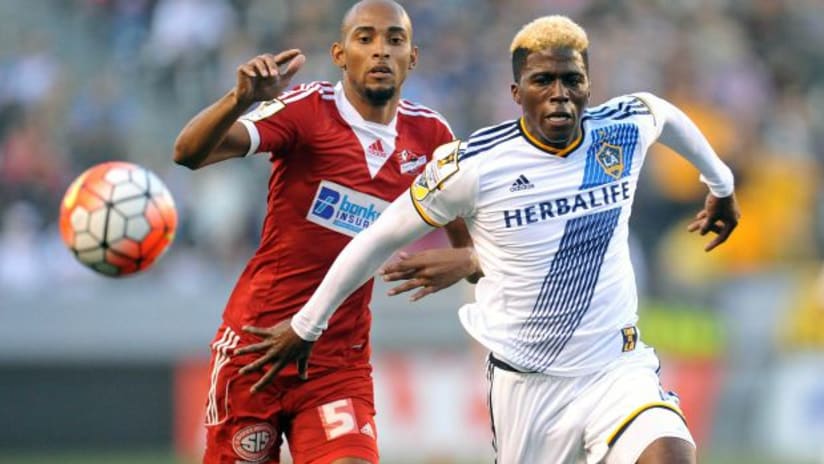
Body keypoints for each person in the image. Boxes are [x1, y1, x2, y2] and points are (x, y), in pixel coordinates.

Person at [238, 15, 742, 464]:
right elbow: (376, 239)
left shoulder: (622, 129)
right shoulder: (473, 166)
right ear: (516, 91)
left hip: (617, 367)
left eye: (573, 80)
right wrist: (307, 325)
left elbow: (665, 114)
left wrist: (720, 185)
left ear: (590, 85)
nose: (560, 93)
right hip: (528, 386)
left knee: (671, 453)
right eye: (543, 80)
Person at [172, 1, 469, 462]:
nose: (380, 52)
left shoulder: (430, 135)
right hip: (258, 348)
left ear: (413, 56)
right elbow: (189, 153)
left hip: (337, 360)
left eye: (395, 40)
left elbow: (473, 246)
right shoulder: (306, 111)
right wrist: (242, 99)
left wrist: (467, 261)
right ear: (339, 53)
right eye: (365, 38)